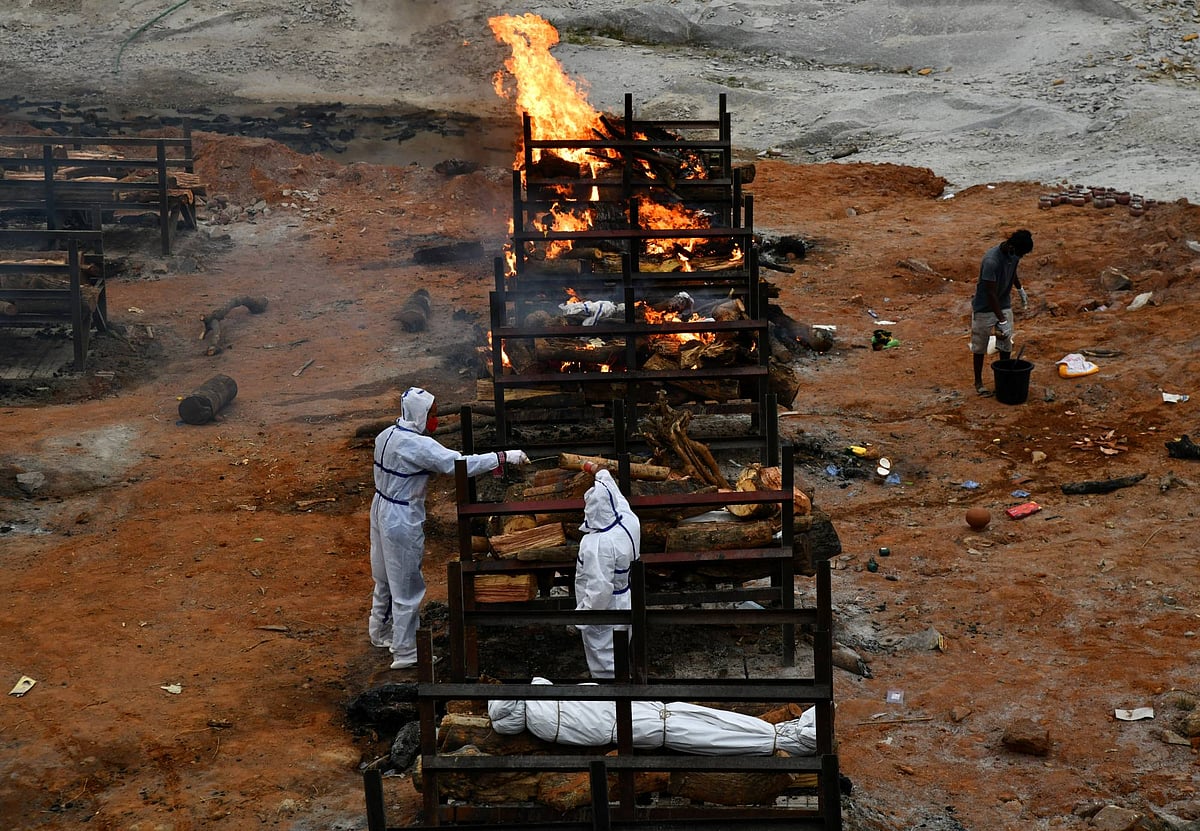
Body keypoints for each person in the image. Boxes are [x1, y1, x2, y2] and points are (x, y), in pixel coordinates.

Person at [369, 387, 528, 670]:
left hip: (380, 507)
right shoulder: (419, 446)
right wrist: (502, 457)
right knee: (407, 584)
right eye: (432, 414)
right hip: (401, 516)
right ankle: (406, 651)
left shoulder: (386, 435)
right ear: (419, 415)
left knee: (383, 576)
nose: (436, 420)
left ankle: (380, 632)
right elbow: (459, 464)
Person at [574, 462, 641, 679]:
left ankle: (612, 702)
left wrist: (582, 618)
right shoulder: (628, 519)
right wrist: (596, 469)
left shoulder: (598, 544)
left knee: (605, 658)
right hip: (626, 596)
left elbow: (599, 590)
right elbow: (614, 491)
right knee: (622, 648)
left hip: (606, 608)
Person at [970, 229, 1033, 396]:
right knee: (980, 346)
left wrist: (1020, 289)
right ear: (1011, 246)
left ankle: (1004, 380)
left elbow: (1012, 272)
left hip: (1003, 303)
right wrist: (1002, 321)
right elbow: (990, 294)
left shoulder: (1014, 254)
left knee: (1005, 345)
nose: (1019, 257)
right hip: (984, 307)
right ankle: (979, 383)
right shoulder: (991, 261)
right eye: (1019, 254)